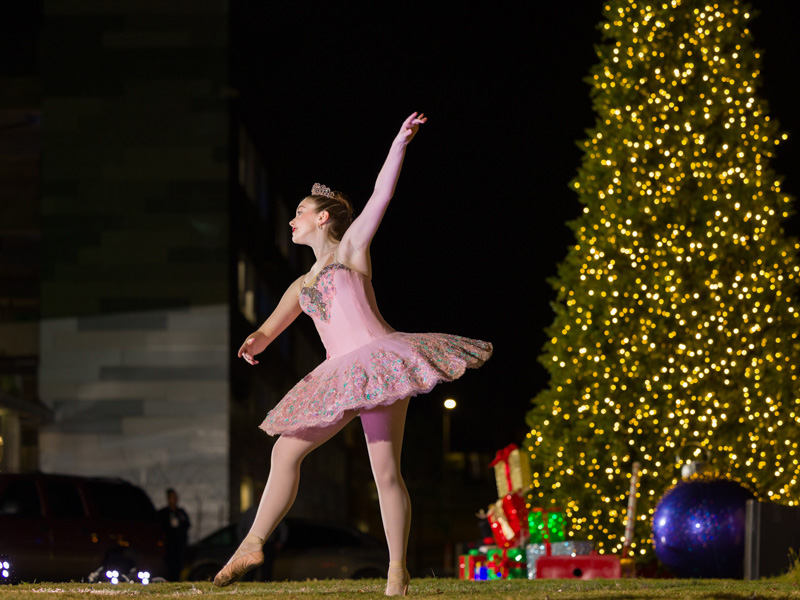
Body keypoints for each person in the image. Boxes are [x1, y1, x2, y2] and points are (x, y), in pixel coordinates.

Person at [213, 112, 492, 595]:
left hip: (379, 363)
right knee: (285, 450)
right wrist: (256, 340)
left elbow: (383, 193)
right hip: (338, 375)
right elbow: (271, 325)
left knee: (385, 471)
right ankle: (252, 544)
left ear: (322, 218)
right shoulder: (301, 284)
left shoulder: (351, 251)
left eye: (299, 211)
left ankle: (397, 572)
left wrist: (399, 144)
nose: (291, 218)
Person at [158, 488, 191, 581]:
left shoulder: (180, 512)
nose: (174, 499)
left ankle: (178, 580)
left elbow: (187, 525)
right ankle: (168, 580)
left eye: (175, 497)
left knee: (179, 565)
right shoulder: (163, 513)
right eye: (172, 497)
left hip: (180, 544)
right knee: (169, 565)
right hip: (169, 545)